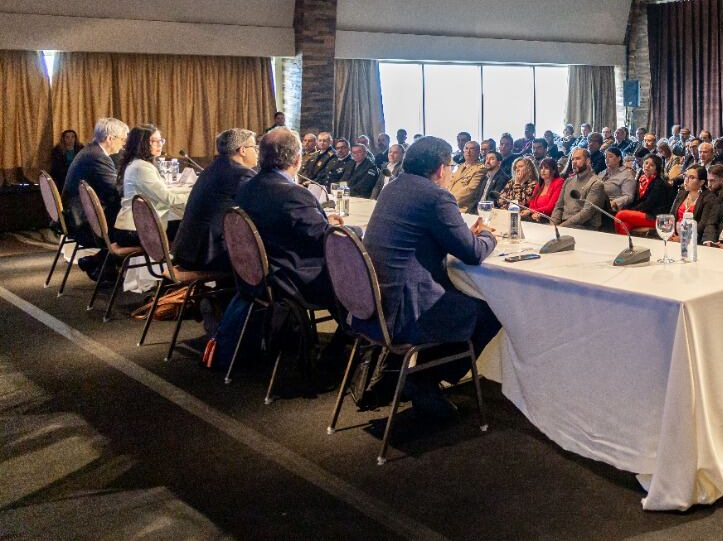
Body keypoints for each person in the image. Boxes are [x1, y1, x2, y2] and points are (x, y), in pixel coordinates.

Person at [356, 136, 500, 416]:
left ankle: (421, 377)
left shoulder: (393, 188)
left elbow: (421, 235)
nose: (451, 172)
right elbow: (472, 254)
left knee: (459, 300)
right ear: (439, 168)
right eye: (450, 166)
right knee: (489, 309)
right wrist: (486, 236)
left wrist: (461, 237)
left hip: (374, 304)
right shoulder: (436, 195)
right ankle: (424, 379)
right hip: (406, 311)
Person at [234, 128, 344, 310]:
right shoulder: (293, 194)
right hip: (293, 279)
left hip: (254, 275)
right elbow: (324, 239)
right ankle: (356, 332)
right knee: (360, 272)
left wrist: (322, 220)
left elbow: (289, 224)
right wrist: (355, 231)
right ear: (297, 159)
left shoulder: (246, 187)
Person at [171, 128, 257, 272]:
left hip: (187, 250)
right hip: (206, 255)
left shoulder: (214, 167)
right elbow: (257, 209)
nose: (257, 152)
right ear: (242, 150)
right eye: (254, 147)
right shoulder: (240, 174)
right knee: (262, 258)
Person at [63, 117, 129, 277]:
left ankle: (97, 262)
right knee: (132, 227)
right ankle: (102, 264)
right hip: (83, 222)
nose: (123, 144)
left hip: (76, 214)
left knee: (125, 215)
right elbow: (117, 190)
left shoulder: (91, 151)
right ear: (110, 139)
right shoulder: (97, 157)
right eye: (122, 139)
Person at [113, 124, 188, 250]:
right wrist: (193, 195)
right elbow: (168, 199)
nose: (160, 144)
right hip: (133, 231)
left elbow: (165, 190)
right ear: (141, 143)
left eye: (161, 140)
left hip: (135, 226)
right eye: (154, 141)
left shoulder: (139, 164)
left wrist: (187, 191)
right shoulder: (141, 168)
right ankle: (183, 266)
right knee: (192, 227)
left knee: (185, 224)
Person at [551, 148, 612, 232]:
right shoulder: (568, 181)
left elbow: (586, 213)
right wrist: (553, 224)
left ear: (587, 161)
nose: (574, 162)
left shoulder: (596, 183)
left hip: (584, 227)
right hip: (564, 225)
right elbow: (559, 206)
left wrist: (561, 227)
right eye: (572, 159)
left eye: (578, 159)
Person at [613, 154, 676, 235]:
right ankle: (624, 245)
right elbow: (638, 200)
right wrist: (628, 209)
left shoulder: (658, 183)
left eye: (651, 165)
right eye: (646, 163)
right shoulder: (641, 179)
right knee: (625, 225)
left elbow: (647, 204)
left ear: (656, 169)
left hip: (655, 217)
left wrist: (629, 211)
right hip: (644, 213)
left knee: (620, 215)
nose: (647, 166)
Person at [669, 164, 722, 235]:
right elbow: (671, 216)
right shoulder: (681, 193)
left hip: (694, 238)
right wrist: (670, 233)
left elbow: (702, 225)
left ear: (701, 182)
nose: (686, 180)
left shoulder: (709, 198)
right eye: (685, 176)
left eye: (691, 177)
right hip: (675, 236)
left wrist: (683, 237)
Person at [598, 145, 638, 212]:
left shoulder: (626, 175)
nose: (606, 159)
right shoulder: (602, 173)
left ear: (619, 158)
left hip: (610, 209)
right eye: (605, 157)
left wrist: (614, 203)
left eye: (610, 156)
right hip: (596, 204)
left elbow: (629, 197)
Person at [524, 157, 564, 222]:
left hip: (549, 218)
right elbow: (532, 203)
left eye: (546, 168)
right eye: (541, 168)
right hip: (535, 216)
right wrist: (534, 213)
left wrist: (532, 211)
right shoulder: (539, 185)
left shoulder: (559, 182)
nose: (543, 170)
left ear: (554, 170)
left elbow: (551, 207)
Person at [449, 141, 485, 212]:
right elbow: (449, 183)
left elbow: (470, 190)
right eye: (466, 148)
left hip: (462, 207)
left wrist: (450, 201)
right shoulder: (459, 167)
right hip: (449, 203)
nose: (468, 152)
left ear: (478, 152)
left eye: (472, 149)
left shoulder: (480, 169)